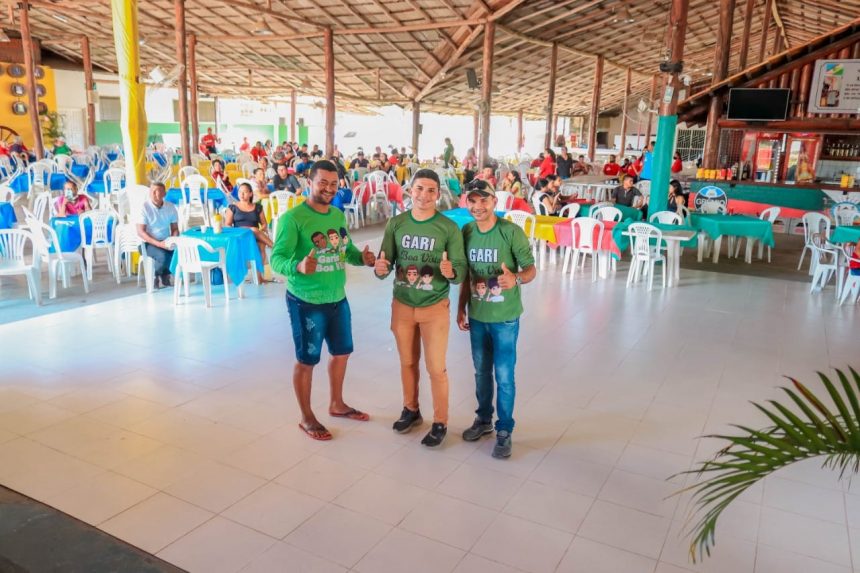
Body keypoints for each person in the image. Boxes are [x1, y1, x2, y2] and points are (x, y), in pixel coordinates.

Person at [270, 160, 377, 441]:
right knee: (307, 360)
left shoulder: (337, 216)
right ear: (310, 183)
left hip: (337, 298)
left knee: (341, 353)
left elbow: (345, 249)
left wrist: (361, 259)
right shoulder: (293, 219)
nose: (329, 188)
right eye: (323, 183)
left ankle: (337, 404)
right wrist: (298, 266)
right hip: (306, 301)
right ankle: (306, 417)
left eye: (334, 183)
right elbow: (276, 259)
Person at [374, 169, 467, 447]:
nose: (424, 195)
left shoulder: (448, 228)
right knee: (407, 361)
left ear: (438, 195)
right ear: (409, 191)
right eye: (419, 189)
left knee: (436, 368)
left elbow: (460, 272)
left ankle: (440, 421)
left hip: (434, 306)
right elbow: (385, 262)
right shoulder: (396, 223)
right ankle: (411, 409)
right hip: (402, 305)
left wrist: (451, 272)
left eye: (430, 190)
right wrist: (379, 269)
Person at [457, 182, 537, 458]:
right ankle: (483, 420)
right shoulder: (466, 231)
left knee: (504, 376)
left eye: (484, 200)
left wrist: (516, 278)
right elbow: (466, 275)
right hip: (478, 316)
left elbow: (530, 269)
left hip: (504, 318)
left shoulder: (510, 232)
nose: (478, 206)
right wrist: (460, 308)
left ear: (494, 201)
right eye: (472, 201)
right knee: (481, 372)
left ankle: (504, 430)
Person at [224, 182, 274, 284]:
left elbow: (264, 224)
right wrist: (244, 230)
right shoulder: (232, 207)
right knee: (254, 229)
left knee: (261, 244)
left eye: (245, 192)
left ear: (251, 194)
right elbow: (227, 225)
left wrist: (259, 231)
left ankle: (259, 278)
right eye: (240, 192)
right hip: (239, 236)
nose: (242, 194)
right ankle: (275, 247)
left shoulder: (258, 207)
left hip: (255, 236)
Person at [136, 182, 179, 289]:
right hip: (147, 243)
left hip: (165, 241)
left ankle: (164, 275)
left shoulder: (170, 207)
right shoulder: (144, 208)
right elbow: (141, 232)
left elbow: (175, 229)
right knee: (164, 257)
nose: (153, 194)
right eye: (152, 191)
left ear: (164, 193)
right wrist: (159, 244)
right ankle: (155, 275)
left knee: (178, 254)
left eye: (157, 191)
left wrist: (173, 239)